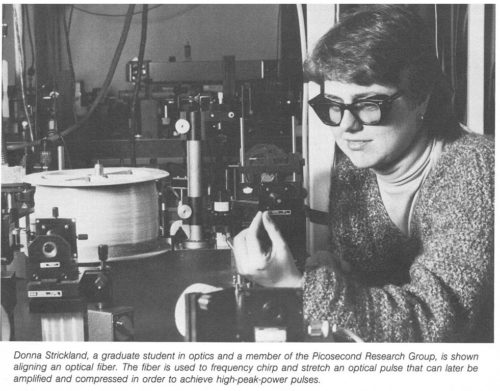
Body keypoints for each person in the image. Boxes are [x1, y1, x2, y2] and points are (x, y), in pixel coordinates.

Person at [233, 5, 494, 342]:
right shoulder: (354, 174)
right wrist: (322, 268)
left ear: (422, 99)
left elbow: (435, 323)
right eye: (333, 107)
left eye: (370, 106)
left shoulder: (476, 167)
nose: (346, 126)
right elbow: (356, 296)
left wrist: (296, 285)